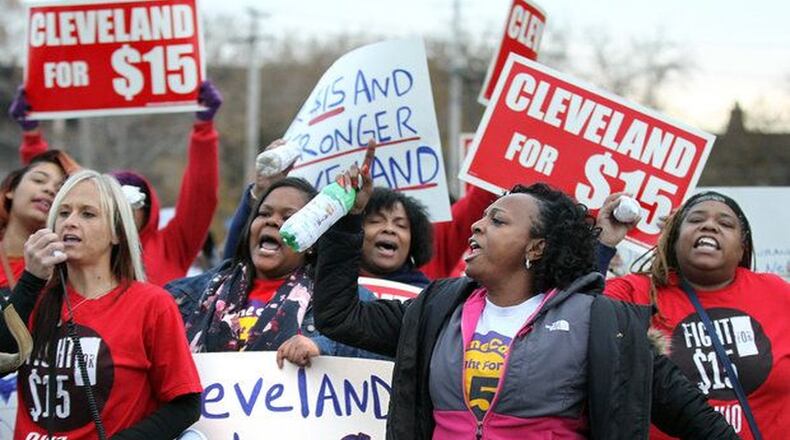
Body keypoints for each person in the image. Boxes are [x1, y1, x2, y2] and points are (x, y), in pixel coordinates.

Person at [310, 145, 735, 439]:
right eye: (483, 218)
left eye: (497, 221)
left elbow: (696, 421)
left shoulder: (603, 324)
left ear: (536, 246)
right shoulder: (438, 308)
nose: (477, 226)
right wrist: (349, 219)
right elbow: (340, 316)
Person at [0, 169, 202, 439]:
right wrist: (30, 281)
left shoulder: (152, 305)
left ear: (117, 233)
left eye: (87, 214)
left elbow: (186, 405)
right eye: (63, 212)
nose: (70, 222)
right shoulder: (33, 296)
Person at [597, 190, 790, 440]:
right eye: (696, 220)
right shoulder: (637, 292)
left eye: (725, 223)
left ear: (742, 247)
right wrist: (602, 245)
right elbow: (572, 317)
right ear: (674, 239)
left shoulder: (777, 293)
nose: (709, 226)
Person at [9, 82, 222, 286]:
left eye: (134, 201)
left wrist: (204, 129)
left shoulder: (172, 247)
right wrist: (32, 136)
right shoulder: (81, 246)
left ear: (148, 212)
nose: (123, 207)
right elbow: (52, 189)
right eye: (111, 199)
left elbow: (200, 195)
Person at [166, 176, 382, 367]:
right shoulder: (186, 296)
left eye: (289, 217)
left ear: (312, 240)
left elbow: (381, 361)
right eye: (263, 213)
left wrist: (322, 348)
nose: (272, 221)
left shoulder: (348, 302)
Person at [222, 139, 497, 287]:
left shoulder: (431, 297)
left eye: (400, 224)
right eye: (375, 221)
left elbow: (481, 197)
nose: (388, 229)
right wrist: (263, 189)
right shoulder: (316, 282)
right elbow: (240, 259)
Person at [1, 150, 79, 295]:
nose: (50, 190)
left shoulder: (63, 269)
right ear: (11, 189)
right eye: (38, 180)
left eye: (59, 189)